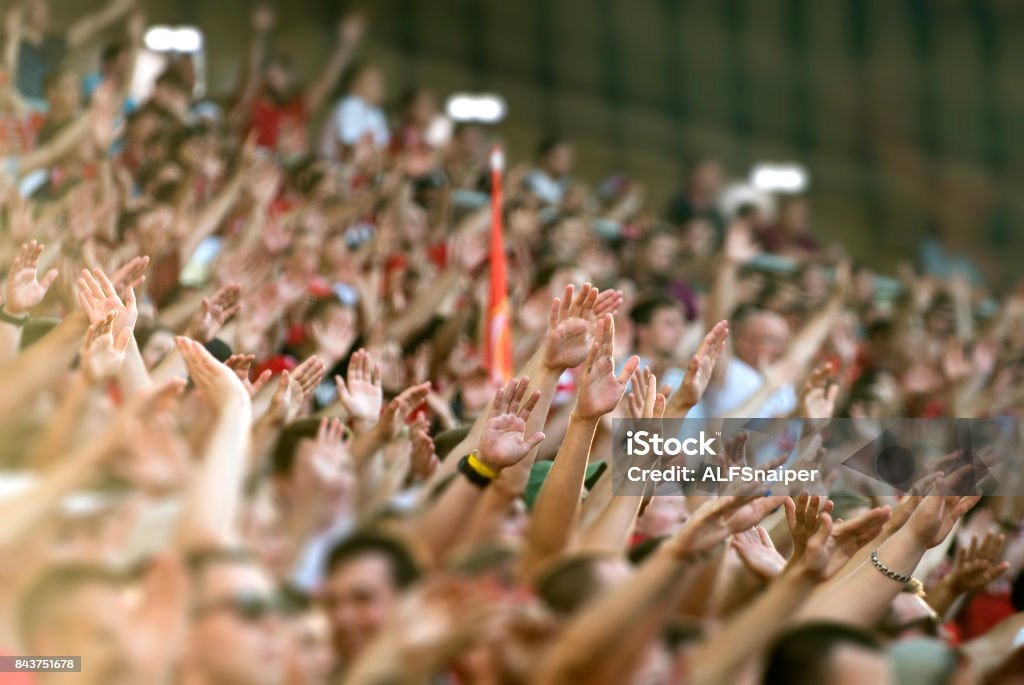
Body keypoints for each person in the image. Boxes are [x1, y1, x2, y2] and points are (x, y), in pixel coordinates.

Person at [4, 0, 135, 107]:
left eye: (44, 7)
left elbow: (92, 24)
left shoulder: (53, 43)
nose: (45, 12)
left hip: (46, 107)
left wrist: (120, 7)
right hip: (15, 104)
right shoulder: (11, 42)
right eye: (36, 7)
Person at [318, 63, 389, 160]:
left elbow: (382, 149)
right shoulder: (348, 105)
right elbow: (348, 149)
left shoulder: (375, 112)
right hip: (331, 165)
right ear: (353, 85)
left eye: (378, 81)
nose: (377, 86)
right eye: (371, 81)